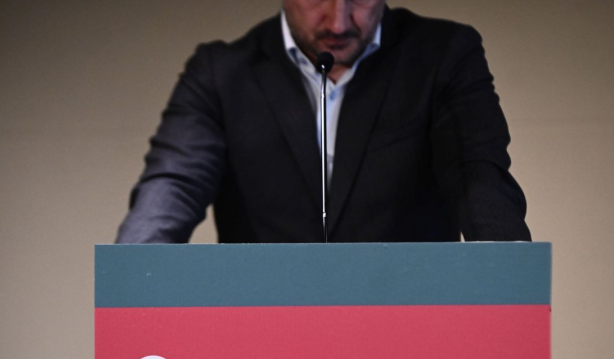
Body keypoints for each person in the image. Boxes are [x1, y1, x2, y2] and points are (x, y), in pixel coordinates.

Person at [116, 0, 531, 243]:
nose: (339, 22)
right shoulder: (219, 74)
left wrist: (511, 294)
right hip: (263, 335)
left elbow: (479, 178)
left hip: (409, 328)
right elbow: (172, 186)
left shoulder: (443, 55)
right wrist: (131, 286)